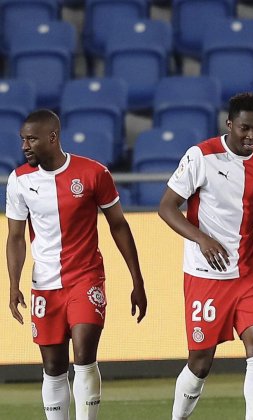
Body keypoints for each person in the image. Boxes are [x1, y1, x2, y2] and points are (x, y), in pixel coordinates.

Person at [6, 109, 148, 420]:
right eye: (22, 140)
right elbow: (15, 236)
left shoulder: (93, 173)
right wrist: (13, 284)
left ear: (52, 137)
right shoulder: (18, 181)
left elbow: (119, 225)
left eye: (31, 139)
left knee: (84, 356)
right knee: (53, 367)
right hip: (44, 284)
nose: (25, 146)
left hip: (86, 279)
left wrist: (137, 280)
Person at [158, 93, 253, 420]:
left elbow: (247, 204)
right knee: (200, 362)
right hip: (206, 275)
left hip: (248, 272)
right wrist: (202, 239)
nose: (251, 136)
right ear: (229, 125)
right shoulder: (201, 156)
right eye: (245, 129)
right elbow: (166, 207)